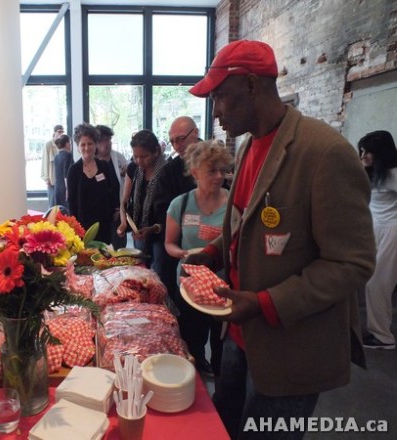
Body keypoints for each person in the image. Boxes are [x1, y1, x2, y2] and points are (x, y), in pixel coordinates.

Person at [185, 40, 376, 439]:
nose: (215, 111)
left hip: (290, 349)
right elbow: (244, 225)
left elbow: (352, 263)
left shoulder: (324, 152)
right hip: (238, 338)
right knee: (224, 427)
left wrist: (264, 303)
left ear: (252, 85)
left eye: (220, 96)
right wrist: (212, 253)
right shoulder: (249, 146)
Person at [165, 140, 233, 377]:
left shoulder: (233, 203)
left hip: (223, 283)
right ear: (195, 173)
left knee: (221, 339)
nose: (219, 176)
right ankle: (195, 373)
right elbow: (169, 244)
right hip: (190, 282)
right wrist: (182, 253)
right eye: (211, 171)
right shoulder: (180, 204)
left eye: (222, 170)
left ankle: (219, 377)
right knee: (192, 336)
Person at [151, 117, 199, 305]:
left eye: (180, 139)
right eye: (172, 141)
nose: (177, 146)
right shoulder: (169, 171)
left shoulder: (214, 162)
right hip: (180, 248)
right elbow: (161, 210)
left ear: (195, 133)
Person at [358, 130, 397, 350]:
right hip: (374, 229)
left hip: (391, 231)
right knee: (368, 279)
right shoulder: (372, 172)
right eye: (362, 151)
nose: (363, 156)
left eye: (368, 152)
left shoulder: (393, 174)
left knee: (378, 283)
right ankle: (377, 330)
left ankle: (383, 337)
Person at [117, 130, 166, 271]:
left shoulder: (166, 171)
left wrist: (153, 229)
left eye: (144, 156)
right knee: (140, 268)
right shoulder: (133, 168)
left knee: (158, 269)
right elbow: (124, 201)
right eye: (135, 156)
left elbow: (170, 210)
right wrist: (123, 223)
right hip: (138, 229)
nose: (139, 161)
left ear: (156, 151)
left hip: (161, 232)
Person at [66, 123, 114, 243]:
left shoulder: (104, 166)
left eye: (90, 143)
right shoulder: (73, 170)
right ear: (78, 147)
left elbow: (111, 192)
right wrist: (75, 228)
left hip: (103, 225)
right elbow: (71, 202)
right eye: (83, 144)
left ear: (96, 144)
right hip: (82, 227)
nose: (87, 148)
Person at [95, 125, 129, 249]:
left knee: (119, 248)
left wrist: (127, 173)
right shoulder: (92, 162)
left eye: (109, 139)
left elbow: (129, 177)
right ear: (96, 142)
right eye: (104, 140)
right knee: (103, 249)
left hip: (119, 212)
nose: (108, 143)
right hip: (101, 214)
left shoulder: (118, 157)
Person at [41, 124, 65, 207]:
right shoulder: (48, 145)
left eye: (62, 132)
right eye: (59, 132)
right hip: (52, 181)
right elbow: (45, 161)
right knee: (52, 204)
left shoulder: (63, 144)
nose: (61, 134)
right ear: (54, 133)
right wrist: (46, 178)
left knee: (61, 205)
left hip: (61, 181)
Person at [53, 134, 74, 209]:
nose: (71, 145)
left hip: (57, 188)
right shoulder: (68, 156)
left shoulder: (56, 156)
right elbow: (66, 174)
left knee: (59, 212)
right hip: (65, 188)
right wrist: (68, 190)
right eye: (70, 143)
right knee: (67, 212)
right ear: (67, 143)